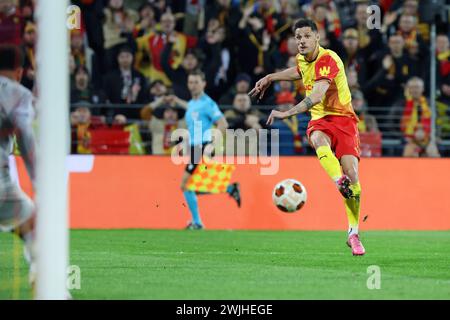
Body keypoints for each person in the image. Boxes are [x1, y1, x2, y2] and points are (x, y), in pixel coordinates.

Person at [250, 19, 365, 256]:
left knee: (353, 175)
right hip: (320, 120)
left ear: (317, 37)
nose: (301, 41)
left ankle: (353, 232)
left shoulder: (329, 59)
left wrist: (286, 113)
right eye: (298, 37)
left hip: (344, 120)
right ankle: (337, 181)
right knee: (318, 139)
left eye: (306, 36)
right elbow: (298, 72)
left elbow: (317, 95)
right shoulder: (303, 59)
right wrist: (271, 77)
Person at [181, 70, 241, 230]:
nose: (192, 85)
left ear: (203, 83)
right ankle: (229, 188)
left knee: (185, 185)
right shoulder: (192, 103)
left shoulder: (208, 103)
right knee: (192, 186)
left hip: (202, 146)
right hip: (194, 146)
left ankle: (197, 222)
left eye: (196, 82)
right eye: (190, 82)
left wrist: (211, 144)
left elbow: (223, 124)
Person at [0, 44, 37, 285]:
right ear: (19, 72)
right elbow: (26, 139)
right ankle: (49, 285)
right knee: (36, 227)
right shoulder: (17, 93)